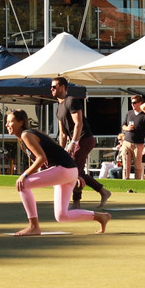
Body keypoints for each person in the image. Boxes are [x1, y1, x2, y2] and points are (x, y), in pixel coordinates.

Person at [6, 109, 111, 236]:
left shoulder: (26, 135)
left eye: (10, 121)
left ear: (21, 122)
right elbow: (50, 159)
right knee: (62, 216)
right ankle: (101, 217)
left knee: (24, 183)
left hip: (64, 170)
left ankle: (34, 226)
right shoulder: (24, 137)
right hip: (67, 171)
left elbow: (41, 158)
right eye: (6, 122)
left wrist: (24, 175)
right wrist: (75, 175)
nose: (7, 125)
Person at [51, 76, 111, 210]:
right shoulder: (58, 108)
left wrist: (73, 142)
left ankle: (78, 202)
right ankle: (102, 192)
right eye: (51, 87)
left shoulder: (71, 101)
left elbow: (79, 123)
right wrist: (61, 151)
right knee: (76, 171)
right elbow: (62, 133)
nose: (51, 89)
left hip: (84, 139)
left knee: (75, 171)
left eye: (54, 87)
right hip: (76, 140)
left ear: (62, 87)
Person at [120, 94, 145, 180]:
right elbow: (123, 126)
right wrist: (127, 128)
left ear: (140, 103)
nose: (133, 105)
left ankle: (137, 183)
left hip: (138, 144)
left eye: (135, 103)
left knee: (137, 166)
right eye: (131, 103)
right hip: (127, 142)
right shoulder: (129, 113)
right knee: (126, 165)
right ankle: (125, 183)